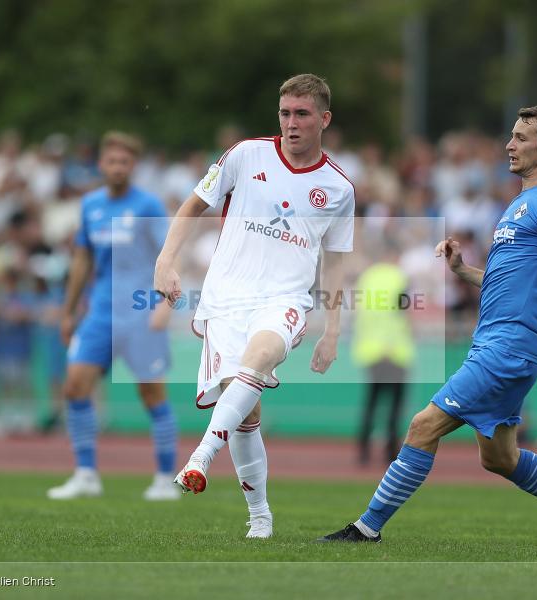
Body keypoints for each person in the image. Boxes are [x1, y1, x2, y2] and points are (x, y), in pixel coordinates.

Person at [318, 106, 537, 547]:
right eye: (511, 136)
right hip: (496, 342)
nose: (509, 145)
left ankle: (367, 528)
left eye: (521, 137)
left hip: (511, 345)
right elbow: (513, 280)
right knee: (500, 458)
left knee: (423, 425)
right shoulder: (520, 204)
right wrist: (464, 270)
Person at [154, 74, 355, 538]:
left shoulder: (339, 187)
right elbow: (191, 207)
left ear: (323, 119)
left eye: (302, 114)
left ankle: (200, 456)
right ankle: (260, 517)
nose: (291, 123)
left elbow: (337, 262)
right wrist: (165, 261)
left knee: (260, 360)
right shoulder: (245, 155)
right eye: (285, 113)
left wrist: (332, 329)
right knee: (244, 411)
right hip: (226, 298)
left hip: (284, 300)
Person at [47, 131, 179, 501]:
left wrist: (165, 306)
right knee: (74, 386)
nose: (118, 167)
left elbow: (169, 255)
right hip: (100, 312)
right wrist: (69, 312)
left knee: (152, 394)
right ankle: (86, 473)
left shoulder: (148, 205)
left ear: (132, 167)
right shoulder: (90, 205)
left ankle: (165, 478)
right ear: (102, 164)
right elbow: (81, 259)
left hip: (140, 313)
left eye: (125, 162)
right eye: (112, 161)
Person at [351, 240, 414, 465]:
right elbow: (401, 314)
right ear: (394, 256)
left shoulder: (366, 278)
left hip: (369, 350)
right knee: (395, 406)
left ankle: (363, 452)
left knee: (372, 402)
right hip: (395, 350)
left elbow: (361, 313)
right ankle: (390, 453)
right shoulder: (400, 278)